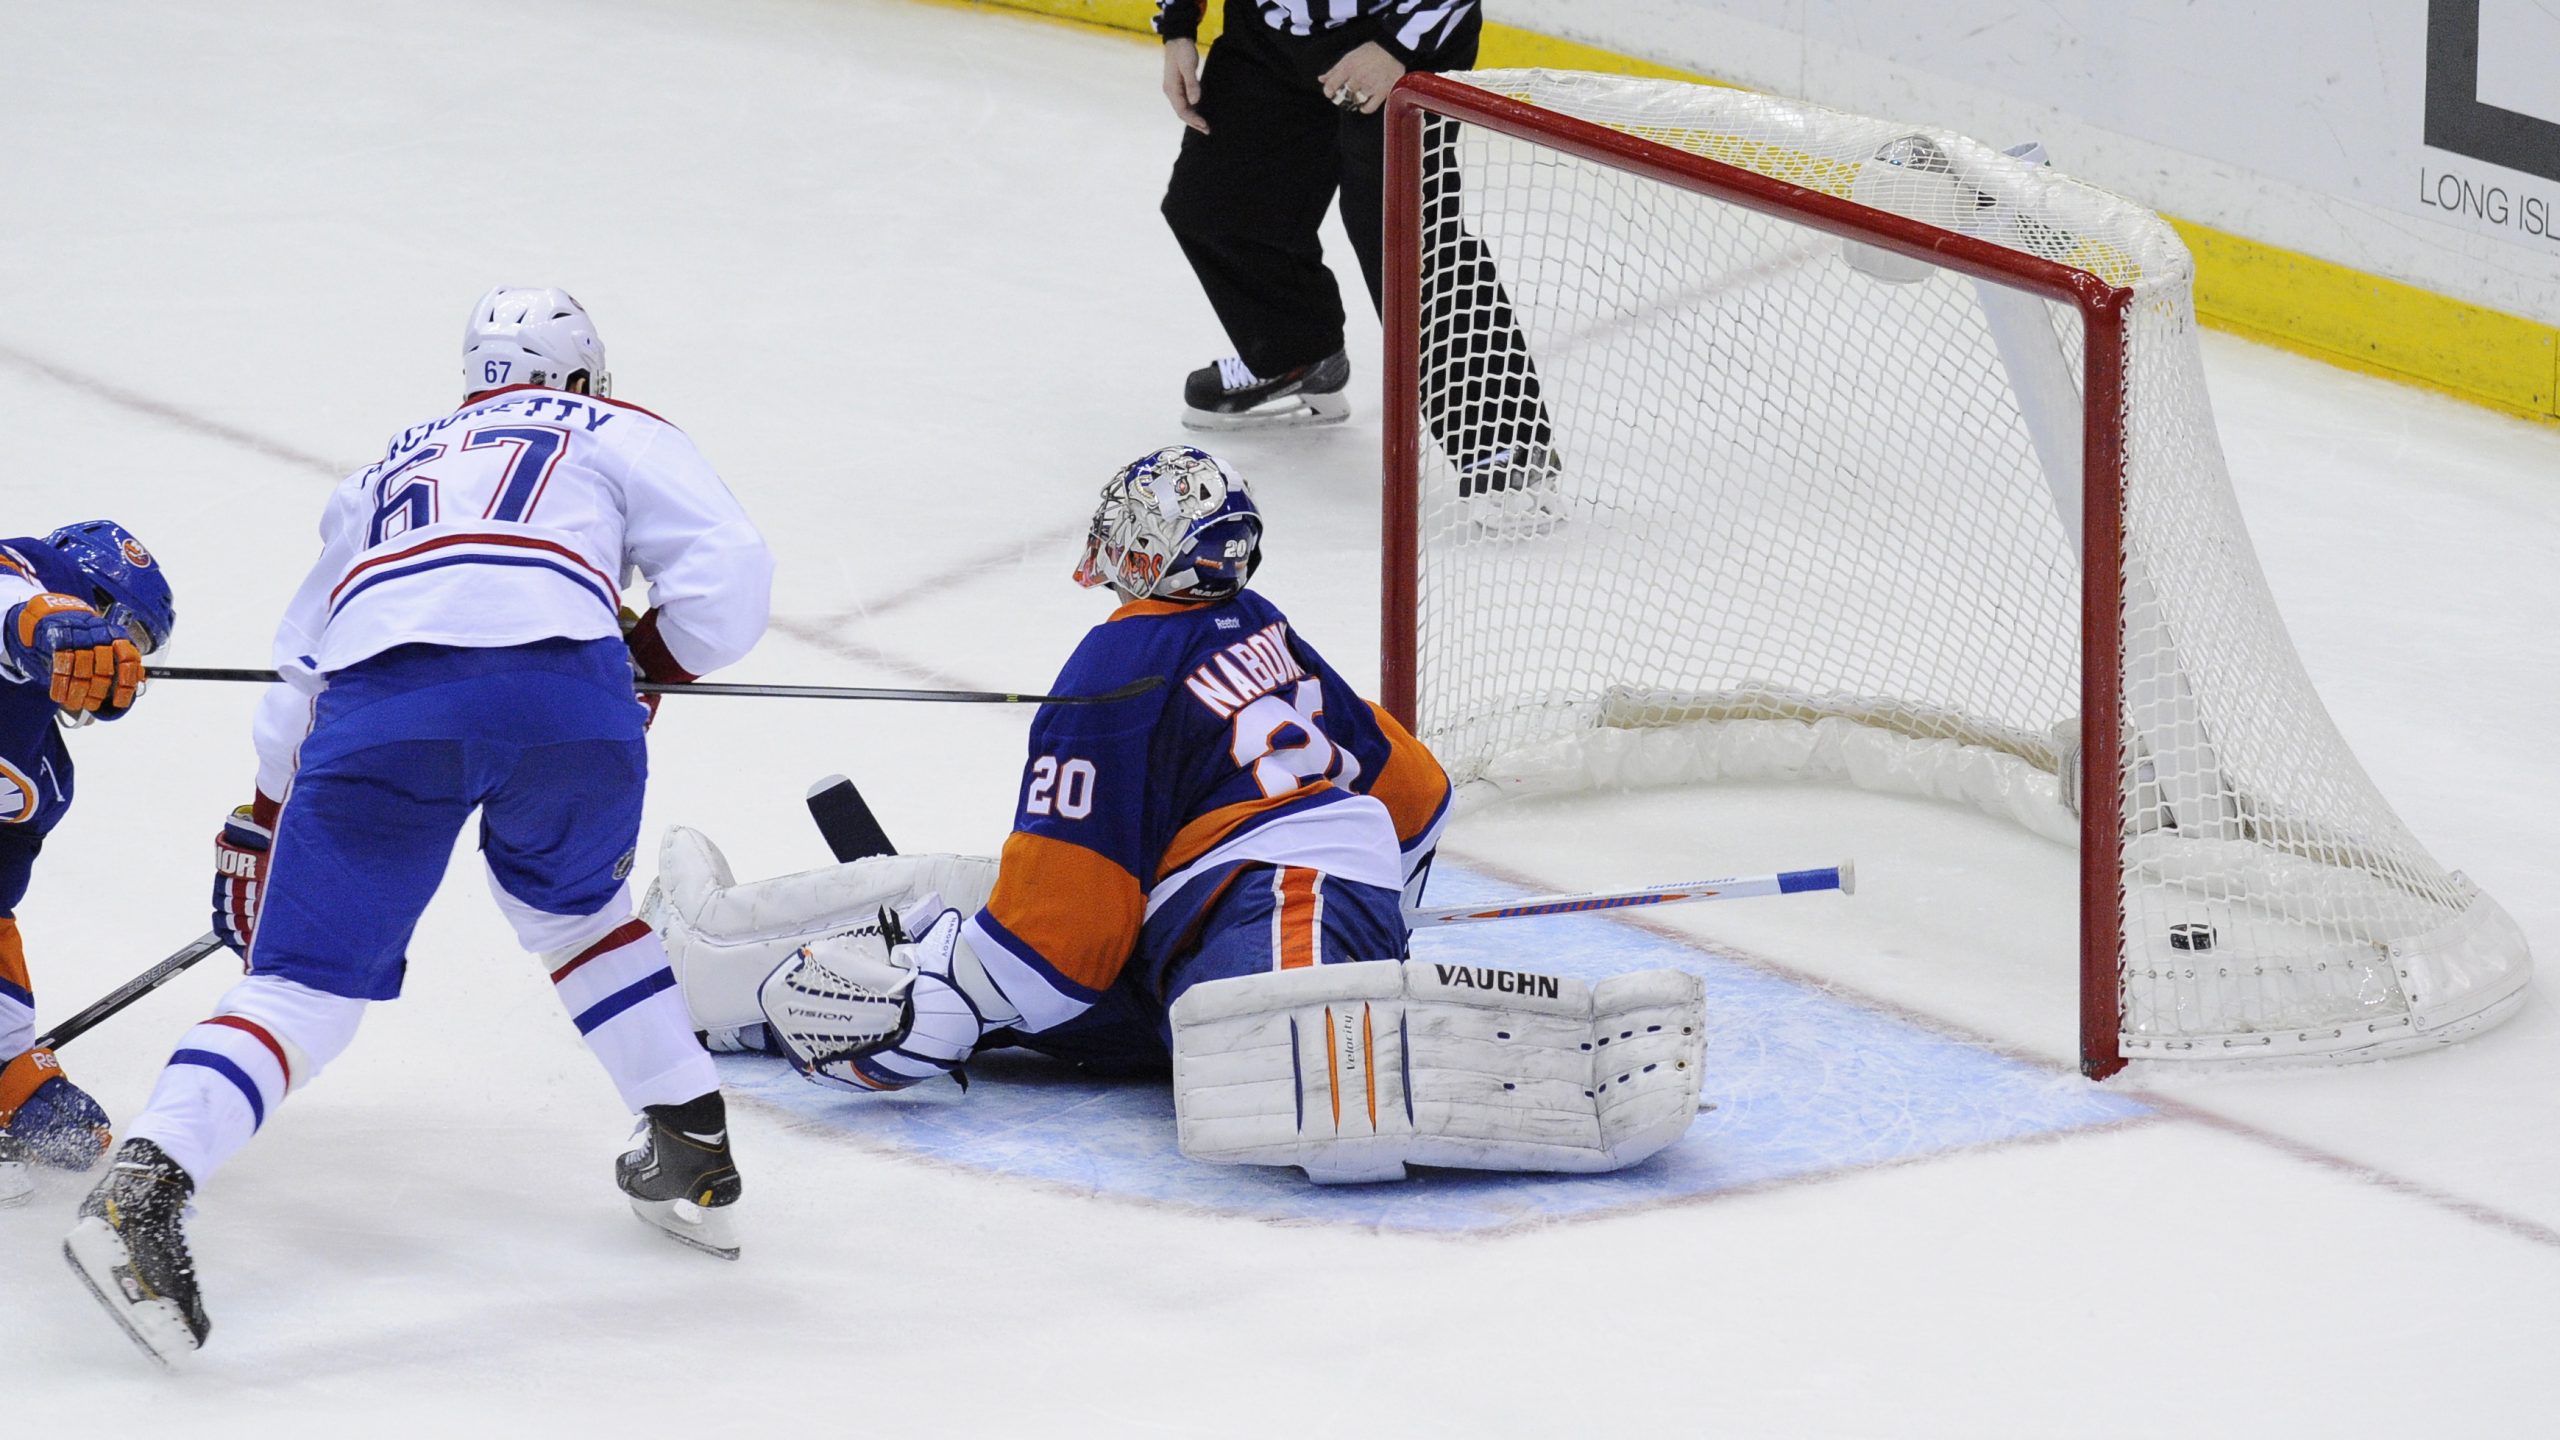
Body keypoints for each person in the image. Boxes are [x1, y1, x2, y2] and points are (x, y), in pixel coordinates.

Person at [649, 445, 1704, 1184]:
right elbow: (1417, 795)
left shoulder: (1113, 661)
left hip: (1267, 898)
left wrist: (953, 1006)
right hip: (1230, 921)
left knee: (1315, 1077)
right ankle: (706, 957)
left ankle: (1537, 1073)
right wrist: (1389, 911)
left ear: (1142, 549)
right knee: (944, 910)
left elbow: (1063, 942)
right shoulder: (1260, 623)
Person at [64, 288, 774, 1364]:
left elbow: (301, 662)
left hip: (378, 708)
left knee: (301, 985)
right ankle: (691, 1144)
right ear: (581, 375)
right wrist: (642, 667)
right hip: (566, 699)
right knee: (579, 914)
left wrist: (264, 819)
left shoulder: (386, 465)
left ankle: (149, 1183)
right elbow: (728, 584)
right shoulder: (622, 428)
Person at [1155, 1, 1563, 530]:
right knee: (1217, 202)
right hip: (1272, 28)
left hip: (1402, 32)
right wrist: (1178, 25)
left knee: (1402, 232)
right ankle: (1296, 355)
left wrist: (1399, 46)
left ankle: (1507, 446)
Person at [0, 522, 173, 1207]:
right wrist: (47, 620)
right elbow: (13, 592)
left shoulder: (40, 774)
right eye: (129, 636)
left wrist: (16, 1071)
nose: (128, 659)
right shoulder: (30, 587)